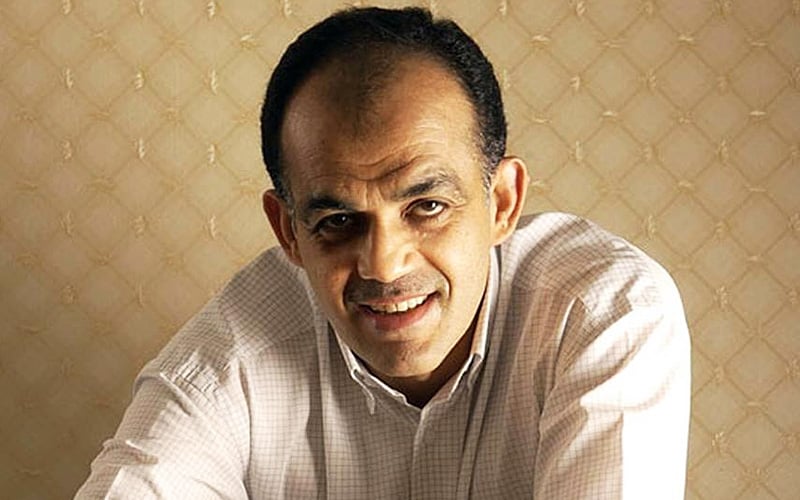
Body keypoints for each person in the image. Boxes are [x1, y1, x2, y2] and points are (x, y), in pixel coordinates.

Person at [77, 6, 690, 499]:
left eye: (427, 206)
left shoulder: (602, 313)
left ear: (502, 202)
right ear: (288, 232)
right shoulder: (228, 362)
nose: (383, 265)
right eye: (339, 221)